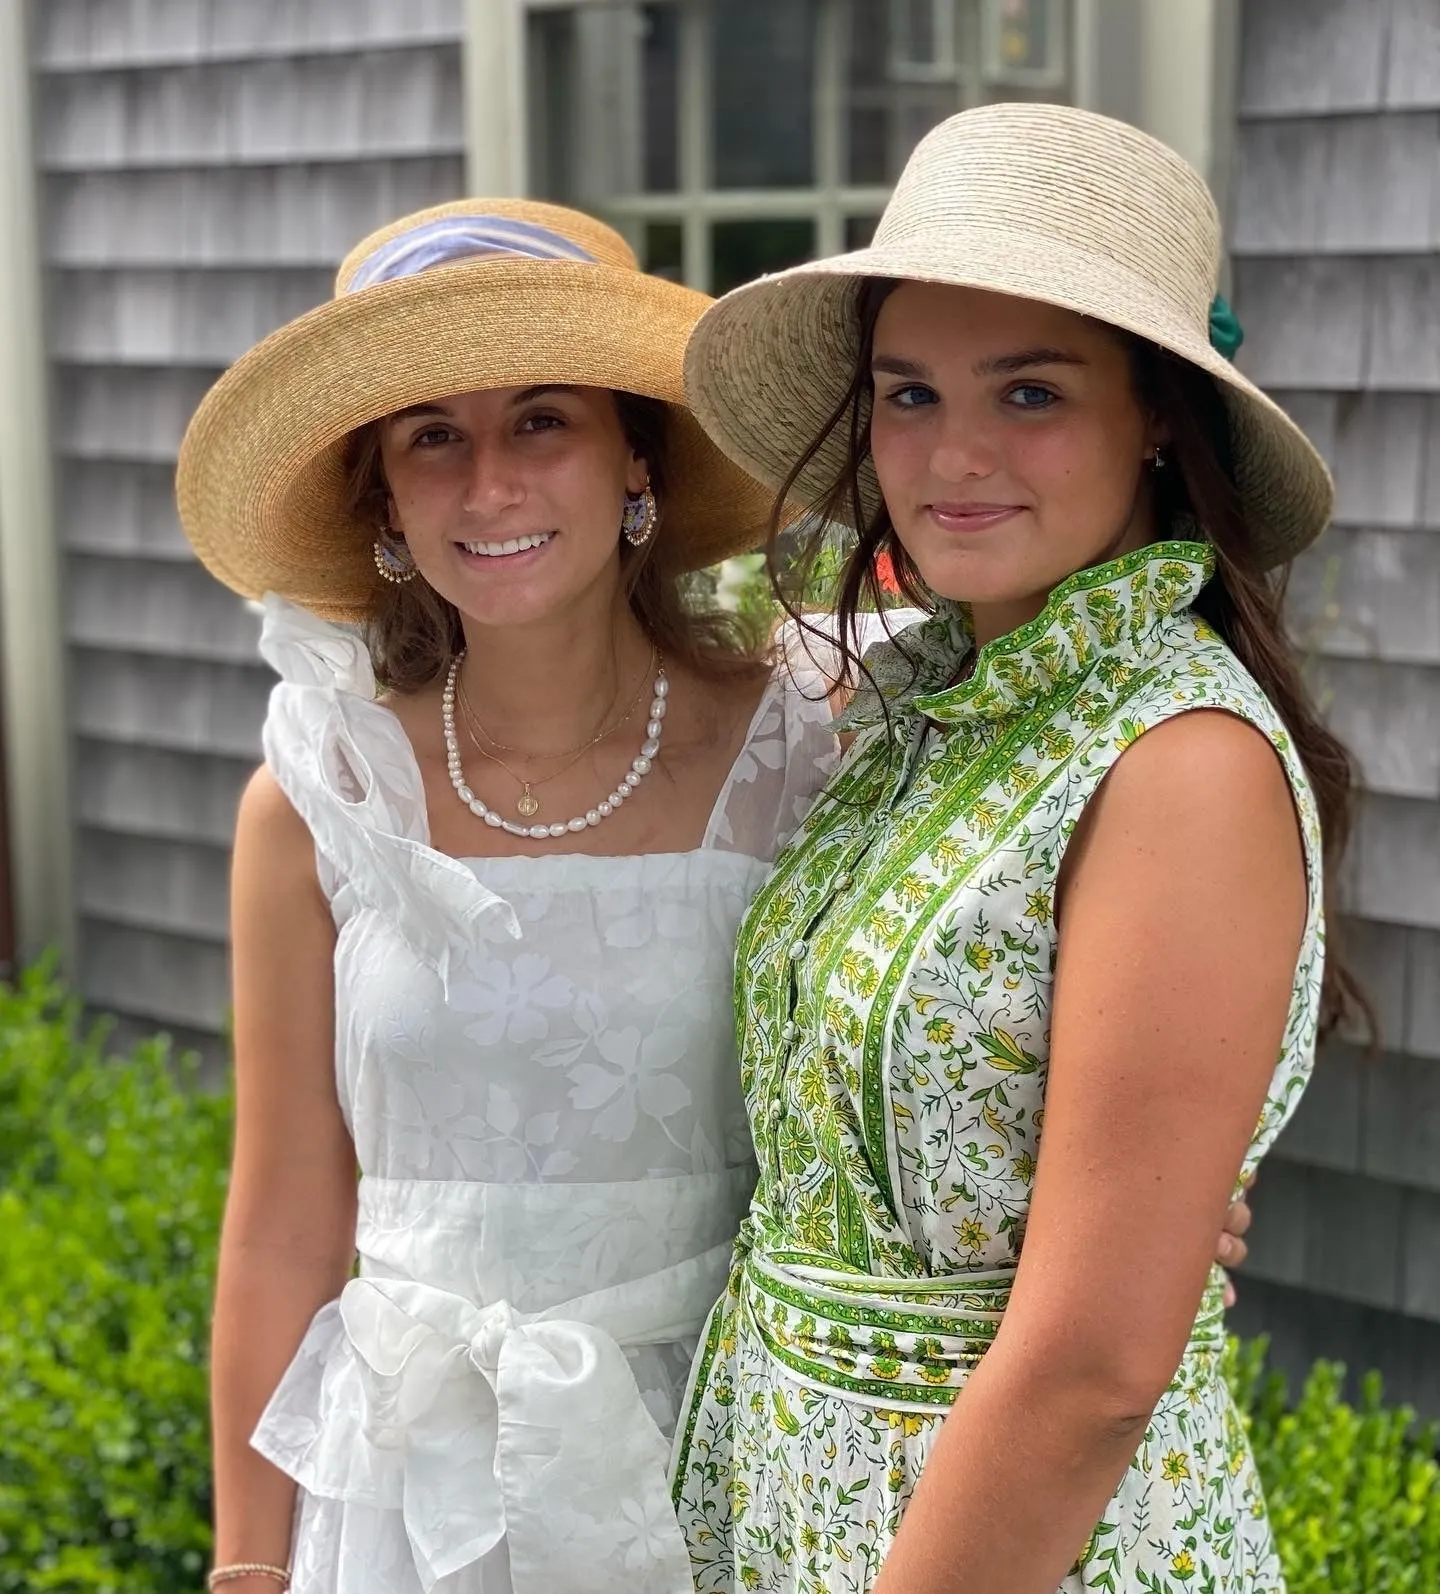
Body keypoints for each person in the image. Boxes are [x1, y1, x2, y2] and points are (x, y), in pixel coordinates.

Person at [177, 194, 1252, 1594]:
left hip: (730, 1431)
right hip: (416, 1482)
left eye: (540, 417)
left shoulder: (817, 742)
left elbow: (965, 995)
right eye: (430, 435)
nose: (488, 482)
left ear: (637, 452)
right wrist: (248, 1565)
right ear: (380, 496)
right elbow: (279, 1218)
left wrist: (1159, 1199)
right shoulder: (322, 796)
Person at [672, 102, 1361, 1593]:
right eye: (909, 395)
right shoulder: (927, 705)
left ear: (1160, 416)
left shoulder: (1176, 759)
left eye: (1030, 393)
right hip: (814, 1514)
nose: (953, 455)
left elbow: (1096, 1365)